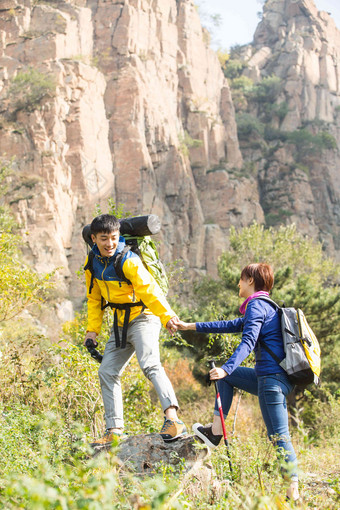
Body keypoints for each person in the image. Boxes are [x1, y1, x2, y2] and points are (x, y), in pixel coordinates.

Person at [175, 263, 300, 502]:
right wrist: (188, 326)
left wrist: (226, 368)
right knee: (229, 378)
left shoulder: (256, 305)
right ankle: (215, 431)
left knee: (279, 436)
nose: (238, 284)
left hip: (271, 380)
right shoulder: (266, 306)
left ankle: (293, 494)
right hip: (276, 378)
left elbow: (248, 341)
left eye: (241, 279)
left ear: (251, 280)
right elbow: (229, 325)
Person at [84, 214, 186, 445]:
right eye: (103, 239)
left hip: (144, 317)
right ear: (94, 239)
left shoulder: (128, 260)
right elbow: (94, 297)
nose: (109, 244)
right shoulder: (93, 262)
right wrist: (92, 330)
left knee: (150, 364)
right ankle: (115, 430)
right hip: (119, 323)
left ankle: (173, 419)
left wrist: (167, 316)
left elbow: (149, 289)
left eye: (113, 238)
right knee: (107, 371)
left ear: (118, 236)